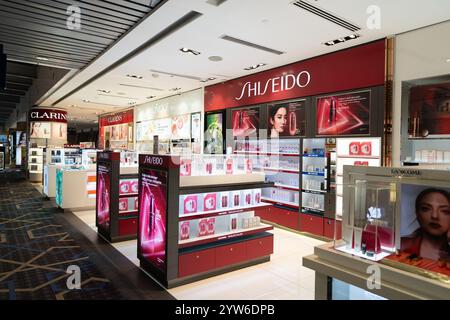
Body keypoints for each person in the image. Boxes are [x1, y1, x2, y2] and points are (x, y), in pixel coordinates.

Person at [401, 188, 450, 261]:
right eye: (425, 209)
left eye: (445, 211)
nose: (434, 216)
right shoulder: (402, 244)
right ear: (417, 213)